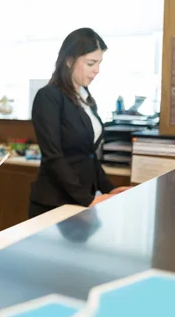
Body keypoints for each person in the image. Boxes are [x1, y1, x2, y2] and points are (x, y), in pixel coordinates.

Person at [29, 27, 131, 218]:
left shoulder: (85, 97)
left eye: (100, 63)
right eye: (91, 63)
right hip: (56, 202)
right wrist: (87, 199)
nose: (97, 70)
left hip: (82, 200)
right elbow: (53, 156)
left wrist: (109, 190)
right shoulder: (48, 96)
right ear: (69, 61)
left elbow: (88, 155)